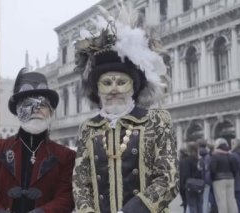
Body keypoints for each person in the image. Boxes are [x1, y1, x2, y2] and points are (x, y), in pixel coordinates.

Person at [72, 4, 178, 213]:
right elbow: (80, 182)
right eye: (106, 82)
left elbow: (168, 178)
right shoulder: (88, 128)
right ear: (97, 89)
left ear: (133, 86)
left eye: (121, 82)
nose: (114, 89)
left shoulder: (157, 120)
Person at [0, 70, 76, 213]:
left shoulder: (66, 157)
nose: (36, 109)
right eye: (28, 104)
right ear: (17, 110)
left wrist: (43, 212)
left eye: (42, 105)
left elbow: (66, 197)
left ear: (51, 112)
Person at [210, 138, 238, 213]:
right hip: (231, 179)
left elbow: (213, 169)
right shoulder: (230, 155)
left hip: (218, 180)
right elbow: (235, 169)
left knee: (221, 201)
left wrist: (212, 179)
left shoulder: (215, 156)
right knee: (231, 201)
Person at [182, 142, 203, 213]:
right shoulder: (200, 159)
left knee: (192, 205)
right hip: (200, 184)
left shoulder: (187, 160)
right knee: (199, 204)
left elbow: (185, 174)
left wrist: (183, 185)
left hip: (190, 185)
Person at [198, 139, 212, 213]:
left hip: (204, 181)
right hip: (207, 180)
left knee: (205, 199)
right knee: (207, 199)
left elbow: (205, 169)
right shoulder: (207, 155)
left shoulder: (201, 155)